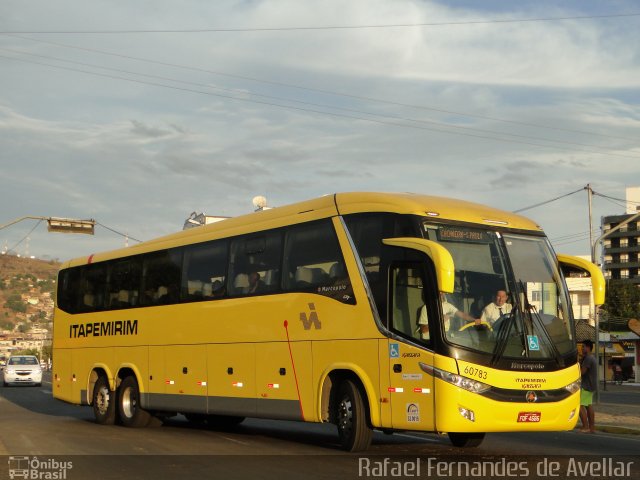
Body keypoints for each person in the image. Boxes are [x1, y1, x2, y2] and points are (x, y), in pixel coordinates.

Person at [579, 339, 597, 433]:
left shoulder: (588, 358)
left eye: (583, 346)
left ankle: (585, 426)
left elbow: (582, 372)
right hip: (591, 385)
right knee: (588, 405)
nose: (582, 348)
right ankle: (592, 428)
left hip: (586, 386)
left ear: (588, 347)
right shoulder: (591, 358)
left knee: (579, 405)